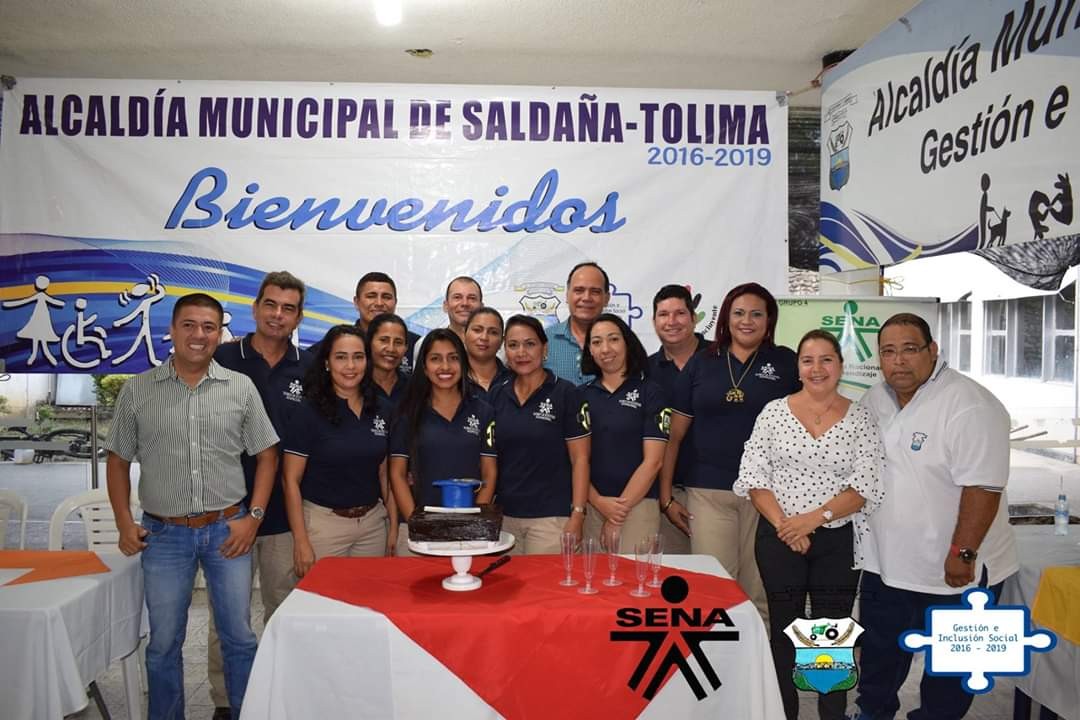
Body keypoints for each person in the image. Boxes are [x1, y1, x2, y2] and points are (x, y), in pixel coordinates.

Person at [105, 293, 279, 720]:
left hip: (228, 531)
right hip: (163, 537)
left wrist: (253, 519)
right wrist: (125, 524)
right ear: (173, 329)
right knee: (164, 642)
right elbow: (117, 459)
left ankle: (245, 712)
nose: (199, 335)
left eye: (209, 327)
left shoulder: (240, 387)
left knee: (239, 636)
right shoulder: (139, 390)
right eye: (190, 325)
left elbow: (268, 454)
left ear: (220, 333)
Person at [853, 313, 1018, 720]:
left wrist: (962, 553)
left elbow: (984, 487)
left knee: (949, 674)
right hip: (885, 565)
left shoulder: (970, 405)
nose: (899, 361)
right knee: (878, 660)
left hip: (956, 571)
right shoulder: (875, 399)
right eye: (888, 352)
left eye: (910, 349)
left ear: (933, 351)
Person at [734, 329, 884, 720]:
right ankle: (784, 713)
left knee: (830, 636)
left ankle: (831, 713)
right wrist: (787, 526)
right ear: (798, 368)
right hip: (778, 537)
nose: (817, 368)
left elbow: (865, 485)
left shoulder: (860, 417)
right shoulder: (773, 413)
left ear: (840, 366)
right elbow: (753, 476)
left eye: (826, 360)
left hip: (836, 540)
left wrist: (812, 521)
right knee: (786, 630)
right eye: (807, 360)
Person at [659, 282, 799, 621]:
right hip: (708, 492)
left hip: (767, 495)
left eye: (756, 314)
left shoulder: (785, 362)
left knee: (758, 591)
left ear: (769, 320)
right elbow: (674, 438)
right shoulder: (701, 363)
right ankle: (715, 667)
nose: (746, 321)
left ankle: (758, 668)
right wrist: (666, 498)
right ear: (725, 318)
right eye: (738, 313)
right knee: (712, 590)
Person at [206, 271, 312, 718]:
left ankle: (281, 698)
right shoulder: (223, 357)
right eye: (271, 305)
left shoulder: (309, 368)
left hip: (286, 513)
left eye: (288, 308)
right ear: (255, 308)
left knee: (285, 612)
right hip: (228, 510)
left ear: (298, 317)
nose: (278, 315)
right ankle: (225, 701)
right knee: (226, 619)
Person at [282, 325, 393, 578]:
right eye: (341, 357)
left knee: (368, 605)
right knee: (324, 609)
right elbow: (290, 480)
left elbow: (385, 473)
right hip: (324, 525)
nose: (350, 366)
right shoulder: (308, 412)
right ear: (327, 363)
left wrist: (393, 526)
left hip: (373, 525)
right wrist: (301, 541)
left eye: (358, 357)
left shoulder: (382, 409)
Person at [389, 329, 497, 555]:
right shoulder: (407, 413)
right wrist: (417, 524)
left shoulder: (483, 411)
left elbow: (489, 473)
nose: (445, 367)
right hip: (418, 533)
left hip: (470, 532)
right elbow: (398, 475)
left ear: (464, 363)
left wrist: (471, 521)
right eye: (435, 359)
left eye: (453, 358)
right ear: (424, 367)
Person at [490, 315, 591, 552]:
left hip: (551, 519)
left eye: (530, 344)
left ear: (544, 348)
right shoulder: (496, 395)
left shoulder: (567, 393)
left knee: (546, 589)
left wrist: (578, 514)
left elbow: (581, 459)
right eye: (513, 345)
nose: (521, 352)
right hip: (505, 519)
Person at [580, 313, 668, 547]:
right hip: (592, 506)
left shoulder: (651, 392)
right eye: (596, 342)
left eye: (613, 339)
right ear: (589, 349)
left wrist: (617, 514)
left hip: (638, 506)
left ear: (627, 343)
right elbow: (575, 460)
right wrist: (598, 501)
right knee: (593, 580)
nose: (605, 348)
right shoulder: (580, 396)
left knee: (635, 580)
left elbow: (654, 462)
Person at [647, 284, 707, 554]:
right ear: (654, 321)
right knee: (675, 580)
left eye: (680, 313)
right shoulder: (644, 371)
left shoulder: (722, 359)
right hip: (664, 492)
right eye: (663, 315)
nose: (671, 322)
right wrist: (666, 499)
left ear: (694, 317)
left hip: (717, 490)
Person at [310, 272, 420, 371]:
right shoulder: (332, 345)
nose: (379, 303)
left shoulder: (416, 345)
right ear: (356, 302)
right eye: (371, 296)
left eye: (386, 297)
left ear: (395, 302)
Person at [545, 261, 610, 385]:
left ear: (606, 299)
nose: (586, 298)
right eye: (579, 290)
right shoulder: (543, 340)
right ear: (567, 295)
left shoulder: (622, 344)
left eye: (595, 291)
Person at [463, 306, 511, 400]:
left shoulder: (514, 381)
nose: (484, 337)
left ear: (502, 341)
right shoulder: (451, 379)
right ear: (465, 335)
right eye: (477, 330)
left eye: (493, 332)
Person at [367, 312, 411, 409]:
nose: (391, 349)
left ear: (406, 348)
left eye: (398, 342)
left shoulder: (414, 387)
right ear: (369, 342)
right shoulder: (356, 385)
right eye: (384, 340)